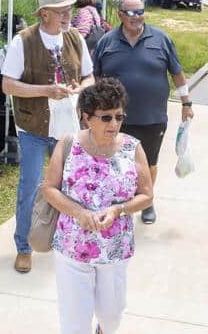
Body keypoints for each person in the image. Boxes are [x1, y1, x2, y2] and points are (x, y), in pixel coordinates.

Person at [41, 77, 153, 334]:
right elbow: (49, 188)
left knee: (111, 317)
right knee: (74, 324)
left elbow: (146, 195)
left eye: (119, 117)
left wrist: (118, 210)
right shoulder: (69, 144)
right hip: (72, 248)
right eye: (106, 118)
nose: (114, 124)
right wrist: (79, 213)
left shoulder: (133, 148)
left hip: (115, 250)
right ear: (86, 117)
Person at [1, 0, 95, 274]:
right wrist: (46, 90)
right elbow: (8, 85)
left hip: (67, 127)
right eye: (61, 11)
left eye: (68, 9)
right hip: (33, 126)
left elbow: (90, 76)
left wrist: (82, 88)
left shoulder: (75, 38)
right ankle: (24, 246)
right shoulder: (23, 41)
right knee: (29, 187)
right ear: (44, 14)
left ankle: (66, 240)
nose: (68, 14)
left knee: (70, 186)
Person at [93, 0, 191, 225]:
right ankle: (115, 201)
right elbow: (96, 76)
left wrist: (186, 102)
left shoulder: (161, 39)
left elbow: (176, 72)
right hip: (114, 117)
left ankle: (146, 199)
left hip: (152, 115)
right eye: (131, 12)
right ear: (120, 14)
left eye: (140, 12)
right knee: (113, 159)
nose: (136, 17)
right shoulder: (106, 42)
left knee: (149, 163)